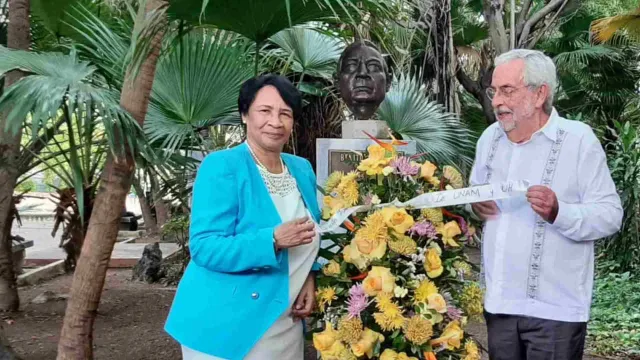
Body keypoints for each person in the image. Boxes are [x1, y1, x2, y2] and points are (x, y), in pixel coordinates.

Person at [469, 49, 623, 360]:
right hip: (499, 305)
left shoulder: (578, 140)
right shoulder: (489, 139)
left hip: (556, 310)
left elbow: (610, 215)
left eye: (507, 90)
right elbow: (476, 194)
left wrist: (559, 212)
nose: (496, 100)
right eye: (493, 91)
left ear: (540, 94)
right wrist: (475, 205)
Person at [164, 74, 321, 360]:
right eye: (265, 111)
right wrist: (271, 239)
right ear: (244, 115)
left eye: (285, 113)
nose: (276, 121)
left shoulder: (301, 169)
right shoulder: (222, 166)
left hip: (284, 322)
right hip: (226, 324)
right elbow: (205, 247)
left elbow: (312, 232)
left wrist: (310, 274)